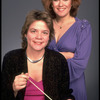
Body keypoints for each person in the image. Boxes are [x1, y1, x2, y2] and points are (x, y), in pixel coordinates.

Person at [1, 10, 75, 100]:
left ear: (49, 36)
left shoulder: (59, 60)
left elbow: (66, 94)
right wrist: (13, 89)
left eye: (44, 32)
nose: (39, 37)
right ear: (25, 34)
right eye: (34, 31)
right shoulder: (11, 59)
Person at [41, 0, 92, 100]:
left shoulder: (83, 27)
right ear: (50, 3)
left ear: (72, 2)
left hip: (73, 86)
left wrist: (49, 62)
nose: (60, 4)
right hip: (48, 87)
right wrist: (65, 55)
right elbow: (36, 56)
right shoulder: (43, 26)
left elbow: (79, 64)